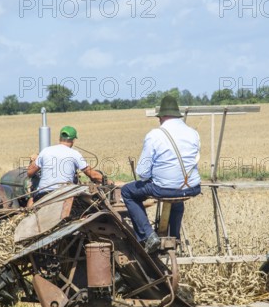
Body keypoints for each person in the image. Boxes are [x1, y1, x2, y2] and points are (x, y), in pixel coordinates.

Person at [121, 95, 201, 253]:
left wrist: (152, 176)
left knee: (127, 191)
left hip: (164, 188)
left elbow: (142, 172)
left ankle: (148, 235)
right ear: (177, 115)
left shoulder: (155, 135)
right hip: (191, 187)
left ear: (163, 116)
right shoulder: (193, 133)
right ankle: (174, 237)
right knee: (176, 192)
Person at [27, 125, 104, 202]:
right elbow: (92, 175)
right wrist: (107, 181)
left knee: (31, 198)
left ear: (60, 138)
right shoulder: (75, 154)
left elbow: (29, 172)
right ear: (73, 140)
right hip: (64, 195)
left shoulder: (45, 151)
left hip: (43, 196)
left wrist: (34, 160)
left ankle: (28, 213)